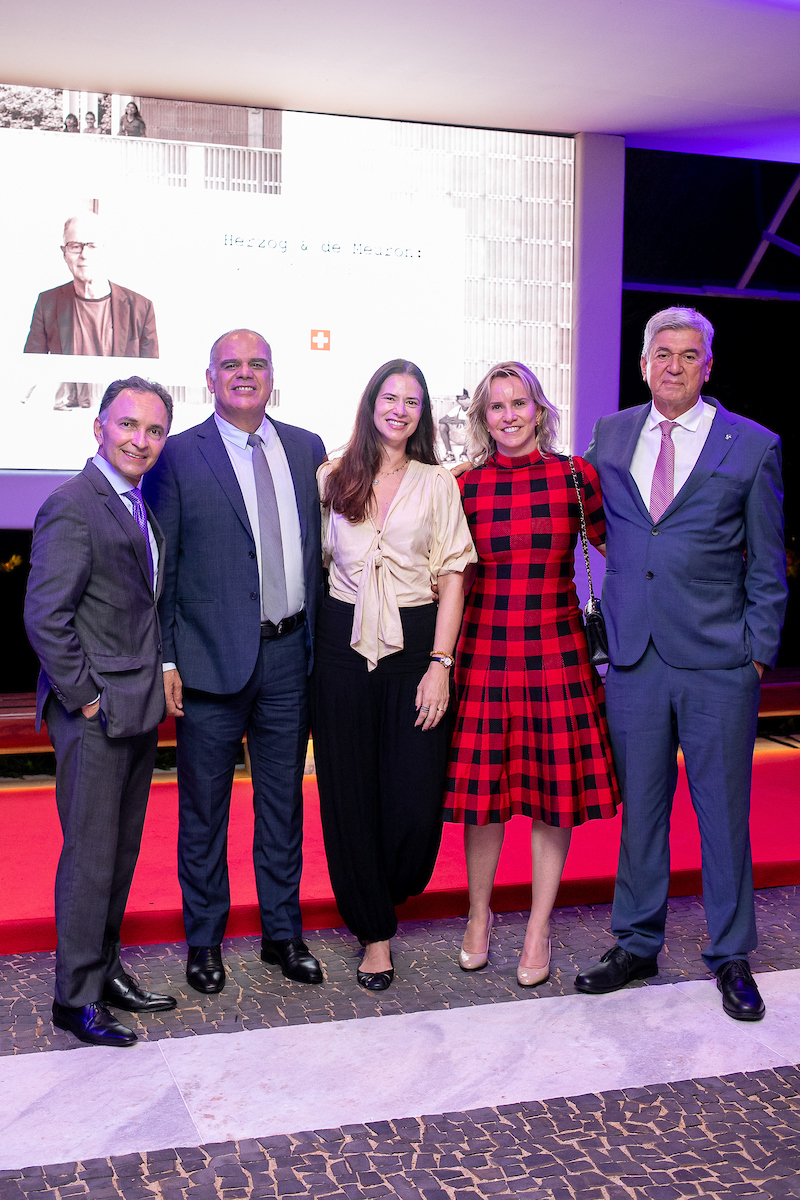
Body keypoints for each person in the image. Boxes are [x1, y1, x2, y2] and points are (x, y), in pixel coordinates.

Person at [575, 307, 787, 1021]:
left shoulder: (753, 446)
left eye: (688, 355)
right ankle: (636, 942)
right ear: (643, 364)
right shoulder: (611, 436)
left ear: (708, 366)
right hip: (634, 657)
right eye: (661, 353)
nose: (673, 365)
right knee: (642, 810)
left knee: (724, 814)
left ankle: (730, 954)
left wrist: (758, 653)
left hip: (719, 664)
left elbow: (768, 564)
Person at [142, 329, 326, 994]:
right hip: (208, 663)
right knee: (204, 812)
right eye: (231, 365)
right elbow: (162, 570)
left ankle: (283, 933)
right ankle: (204, 940)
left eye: (256, 364)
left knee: (284, 807)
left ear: (272, 374)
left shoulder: (306, 449)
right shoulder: (178, 455)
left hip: (288, 658)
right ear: (211, 377)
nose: (244, 374)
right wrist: (164, 659)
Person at [444, 362, 619, 986]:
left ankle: (540, 925)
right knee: (482, 801)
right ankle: (478, 915)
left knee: (553, 798)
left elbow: (623, 552)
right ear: (483, 418)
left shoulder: (574, 476)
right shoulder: (464, 485)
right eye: (497, 406)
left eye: (520, 403)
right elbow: (450, 580)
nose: (510, 415)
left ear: (540, 410)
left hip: (556, 652)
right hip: (485, 652)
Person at [312, 360, 476, 990]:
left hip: (414, 645)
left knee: (412, 799)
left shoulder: (439, 483)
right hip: (341, 642)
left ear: (423, 412)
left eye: (413, 400)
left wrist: (440, 664)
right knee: (348, 791)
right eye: (390, 396)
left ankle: (393, 887)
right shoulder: (332, 474)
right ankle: (374, 935)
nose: (400, 409)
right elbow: (320, 562)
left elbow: (454, 575)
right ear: (370, 403)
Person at [24, 376, 177, 1048]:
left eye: (153, 430)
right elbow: (44, 616)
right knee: (90, 857)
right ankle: (75, 999)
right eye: (128, 426)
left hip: (135, 707)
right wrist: (84, 696)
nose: (140, 440)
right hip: (95, 714)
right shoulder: (74, 504)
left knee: (117, 853)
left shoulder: (136, 506)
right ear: (99, 428)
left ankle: (106, 970)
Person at [24, 212, 158, 357]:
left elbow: (149, 376)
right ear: (64, 253)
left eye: (93, 246)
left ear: (105, 250)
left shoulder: (141, 308)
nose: (84, 255)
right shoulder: (47, 303)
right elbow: (31, 370)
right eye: (75, 246)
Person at [439, 390, 470, 462]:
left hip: (469, 439)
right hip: (457, 436)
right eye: (461, 399)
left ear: (468, 398)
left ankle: (464, 453)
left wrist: (461, 421)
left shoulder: (473, 409)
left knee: (472, 426)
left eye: (465, 399)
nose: (463, 401)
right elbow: (441, 420)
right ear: (458, 401)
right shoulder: (457, 409)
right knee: (442, 426)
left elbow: (477, 422)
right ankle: (449, 453)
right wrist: (451, 420)